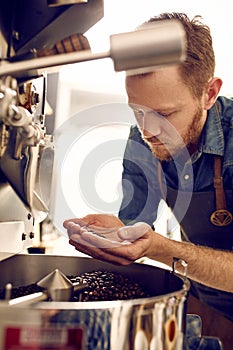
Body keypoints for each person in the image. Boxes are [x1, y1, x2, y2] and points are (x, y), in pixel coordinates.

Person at [64, 12, 233, 346]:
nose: (149, 130)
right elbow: (135, 229)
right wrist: (113, 235)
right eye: (138, 111)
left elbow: (156, 246)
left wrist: (161, 248)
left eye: (165, 114)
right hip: (203, 306)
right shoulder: (142, 141)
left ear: (209, 93)